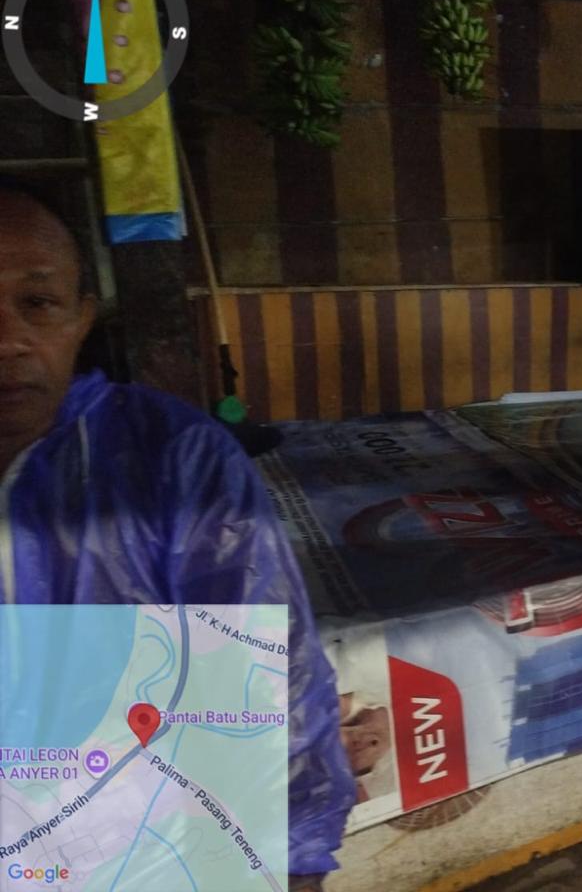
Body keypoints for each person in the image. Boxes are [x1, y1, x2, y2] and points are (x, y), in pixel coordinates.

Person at [0, 183, 355, 892]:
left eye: (37, 303)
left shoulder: (171, 459)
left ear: (82, 317)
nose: (7, 339)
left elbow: (264, 680)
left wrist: (292, 857)